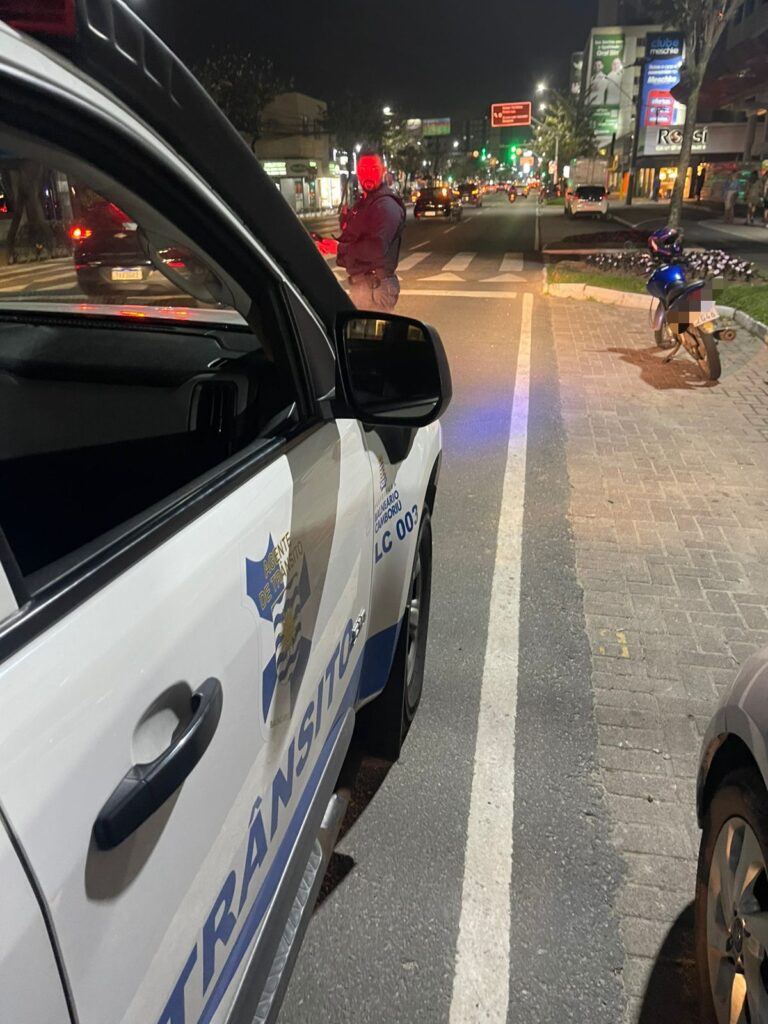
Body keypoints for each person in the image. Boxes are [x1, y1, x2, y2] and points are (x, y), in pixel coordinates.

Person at [333, 152, 406, 311]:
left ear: (383, 170)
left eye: (373, 169)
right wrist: (334, 243)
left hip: (375, 288)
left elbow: (376, 248)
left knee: (370, 327)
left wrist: (339, 248)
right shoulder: (366, 203)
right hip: (366, 286)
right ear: (357, 171)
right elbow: (356, 240)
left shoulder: (386, 205)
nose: (368, 174)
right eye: (363, 169)